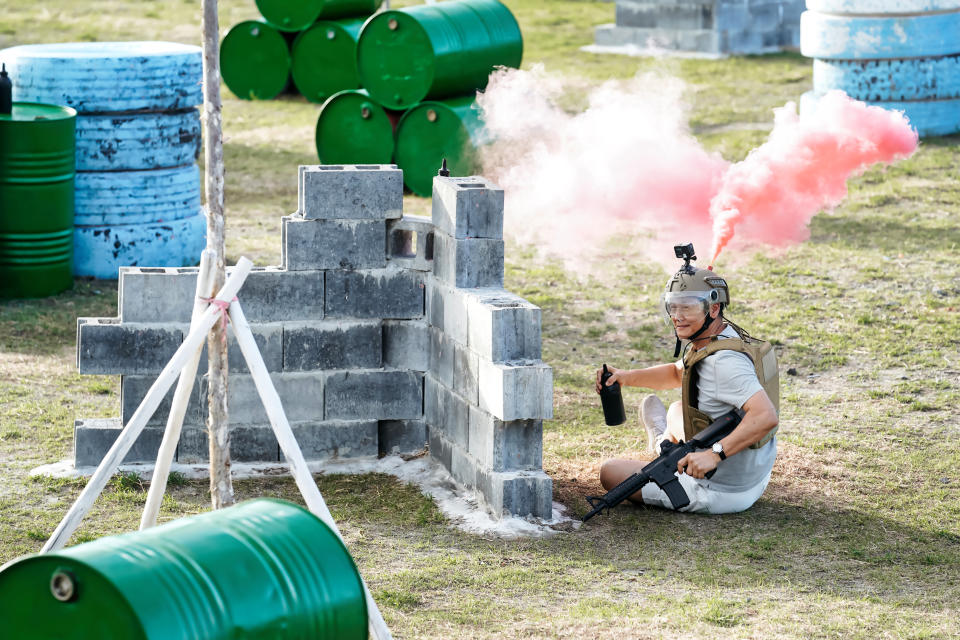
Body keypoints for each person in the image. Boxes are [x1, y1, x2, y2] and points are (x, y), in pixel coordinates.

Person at [594, 245, 779, 514]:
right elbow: (676, 373)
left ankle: (661, 443)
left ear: (713, 308)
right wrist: (624, 377)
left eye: (688, 308)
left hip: (722, 491)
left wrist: (715, 454)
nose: (677, 317)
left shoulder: (723, 363)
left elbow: (765, 417)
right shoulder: (720, 339)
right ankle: (666, 445)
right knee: (677, 410)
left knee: (609, 472)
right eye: (673, 307)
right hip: (754, 476)